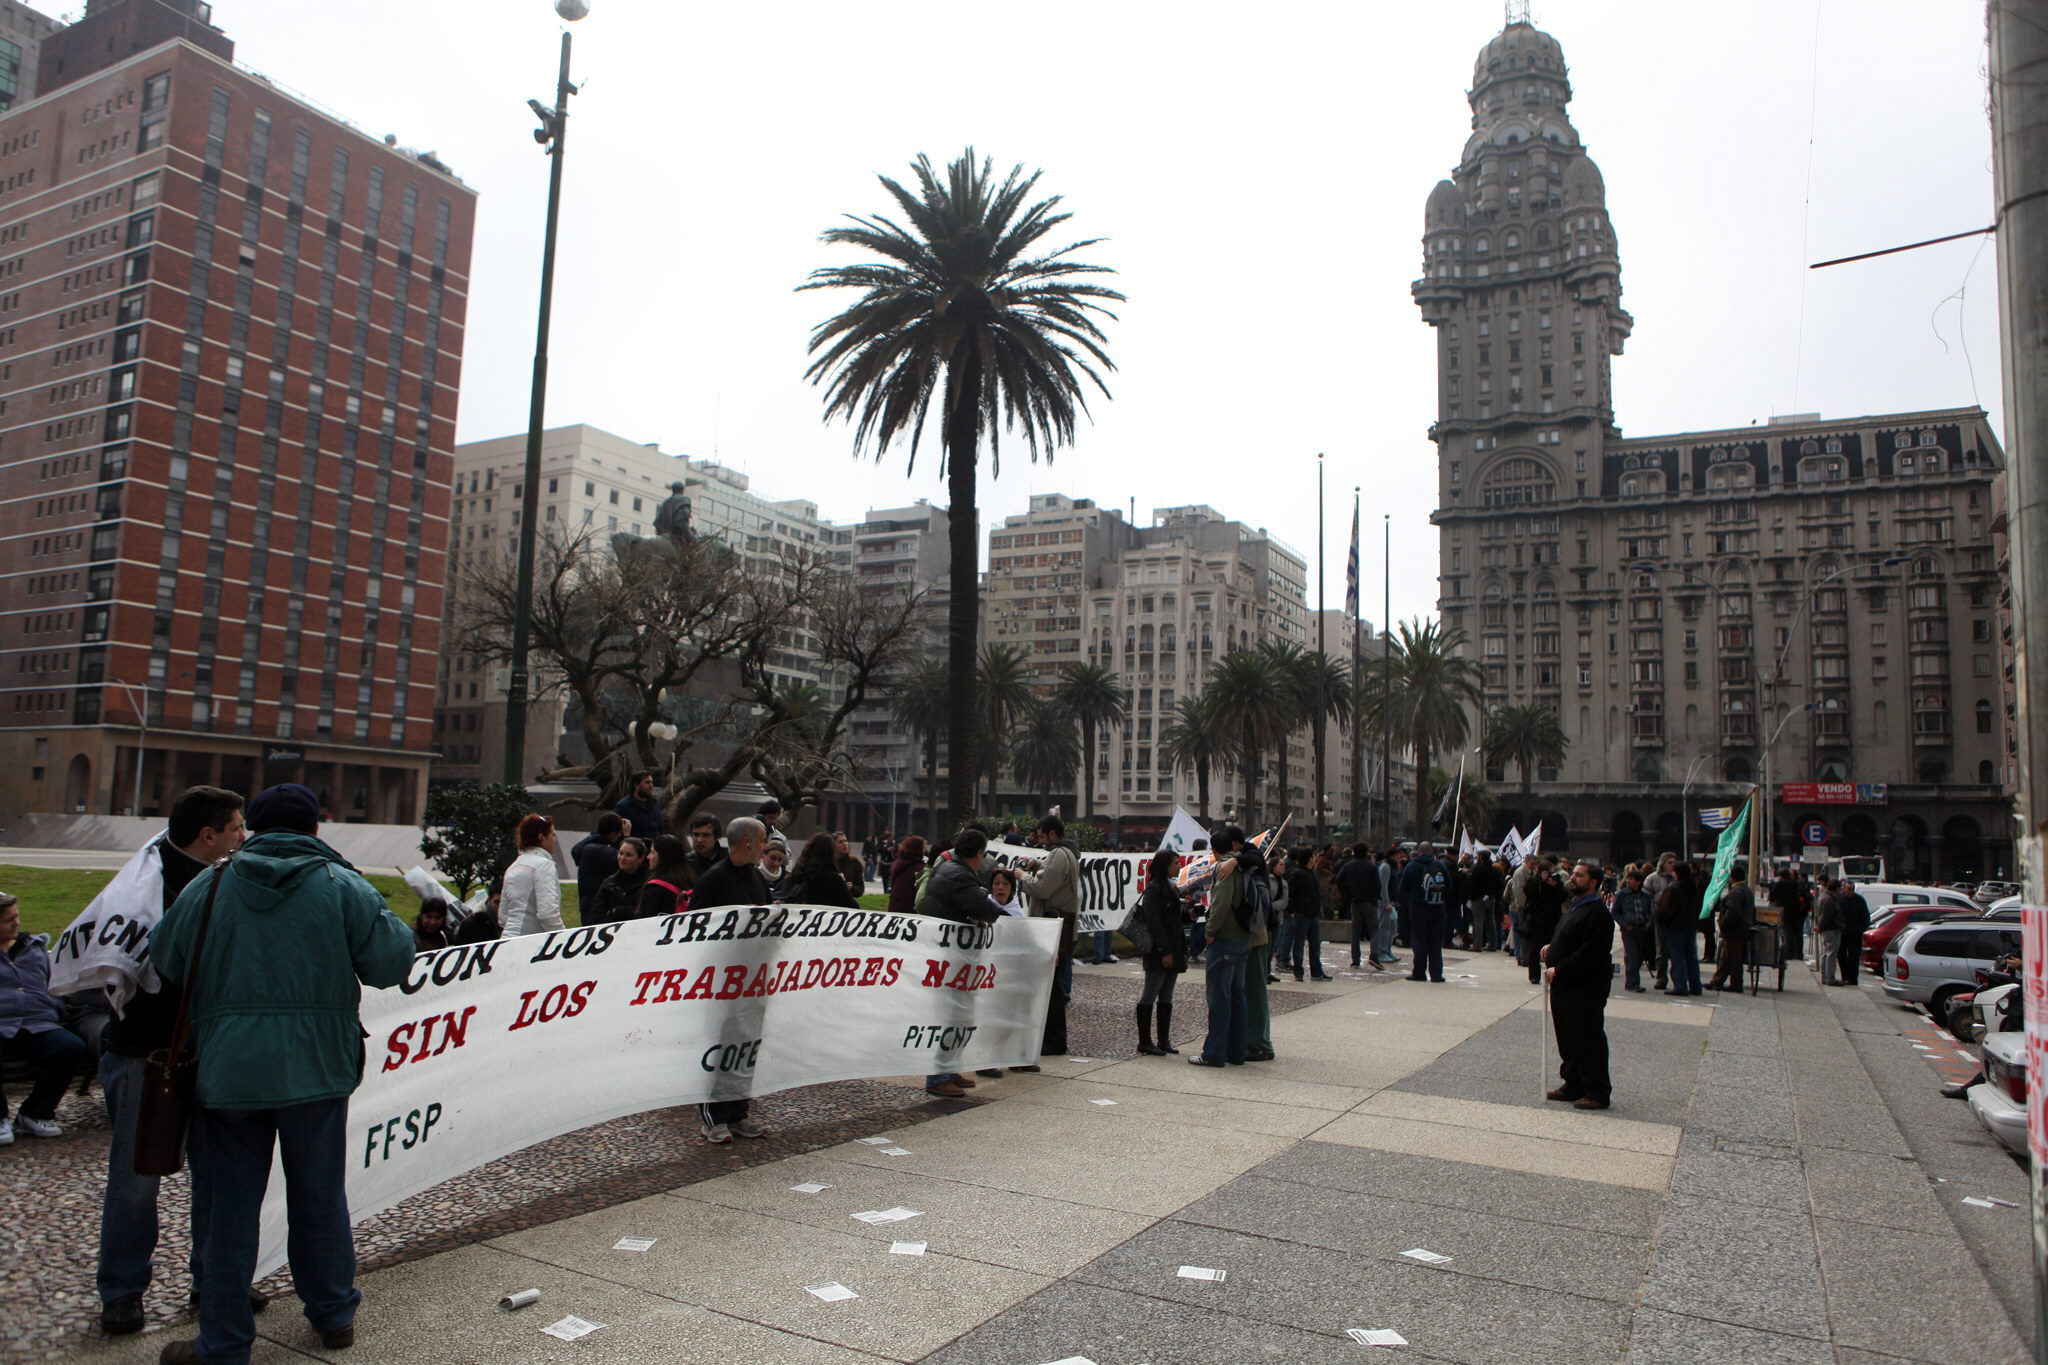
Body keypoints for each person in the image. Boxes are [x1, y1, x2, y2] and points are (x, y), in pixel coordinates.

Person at [151, 782, 415, 1365]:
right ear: (315, 830)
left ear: (256, 829)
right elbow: (395, 961)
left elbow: (166, 956)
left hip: (227, 1073)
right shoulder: (341, 884)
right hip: (317, 1067)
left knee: (229, 1207)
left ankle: (223, 1342)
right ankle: (333, 1313)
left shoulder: (210, 883)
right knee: (319, 1195)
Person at [87, 786, 254, 1336]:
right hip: (146, 1054)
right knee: (136, 1180)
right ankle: (122, 1290)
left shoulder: (219, 877)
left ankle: (215, 1280)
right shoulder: (144, 887)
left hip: (210, 1050)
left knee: (218, 1174)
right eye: (236, 827)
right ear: (208, 837)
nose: (243, 836)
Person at [688, 818, 775, 1141]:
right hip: (724, 978)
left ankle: (739, 1112)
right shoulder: (715, 880)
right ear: (748, 842)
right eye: (763, 839)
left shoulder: (756, 877)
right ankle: (714, 1117)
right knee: (721, 1044)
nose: (766, 846)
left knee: (746, 1044)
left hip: (753, 977)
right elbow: (695, 927)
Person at [0, 889, 92, 1148]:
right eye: (8, 920)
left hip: (37, 1023)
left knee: (69, 1047)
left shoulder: (34, 947)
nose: (16, 923)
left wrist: (54, 1008)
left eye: (16, 916)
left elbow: (55, 982)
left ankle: (35, 1113)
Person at [913, 828, 1001, 1097]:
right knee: (950, 1014)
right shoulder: (959, 876)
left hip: (953, 955)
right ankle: (938, 1078)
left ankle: (949, 1069)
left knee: (958, 1014)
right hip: (950, 957)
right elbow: (987, 910)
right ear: (977, 853)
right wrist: (991, 902)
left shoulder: (952, 869)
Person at [1543, 859, 1615, 1110]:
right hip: (1565, 985)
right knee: (1567, 1037)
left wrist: (1560, 968)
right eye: (1573, 874)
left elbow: (1590, 952)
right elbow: (1571, 938)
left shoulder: (1599, 914)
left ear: (1593, 883)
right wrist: (1552, 948)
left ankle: (1597, 1091)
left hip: (1585, 986)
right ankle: (1573, 1084)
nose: (1572, 878)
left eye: (1579, 876)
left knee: (1587, 1038)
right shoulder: (1575, 907)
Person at [1014, 816, 1080, 1057]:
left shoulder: (1059, 854)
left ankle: (1053, 1041)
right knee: (1052, 988)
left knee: (1051, 990)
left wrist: (1022, 876)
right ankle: (1053, 1039)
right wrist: (1037, 864)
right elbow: (1053, 873)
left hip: (1053, 926)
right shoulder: (1067, 852)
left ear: (1053, 834)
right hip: (1060, 925)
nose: (1040, 841)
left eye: (1042, 837)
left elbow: (1043, 889)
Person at [1191, 826, 1253, 1068]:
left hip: (1226, 936)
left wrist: (1210, 930)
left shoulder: (1224, 866)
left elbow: (1221, 902)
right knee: (1237, 995)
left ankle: (1214, 1053)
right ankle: (1237, 1051)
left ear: (1214, 849)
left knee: (1219, 997)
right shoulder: (1245, 862)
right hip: (1244, 935)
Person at [1134, 850, 1187, 1054]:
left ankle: (1163, 1040)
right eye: (1175, 863)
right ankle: (1145, 1042)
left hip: (1173, 947)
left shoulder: (1171, 887)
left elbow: (1173, 919)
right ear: (1164, 865)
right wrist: (1165, 950)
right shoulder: (1155, 889)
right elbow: (1154, 922)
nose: (1179, 867)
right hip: (1160, 950)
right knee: (1150, 994)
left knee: (1166, 996)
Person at [498, 815, 564, 939]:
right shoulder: (544, 865)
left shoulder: (512, 867)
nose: (555, 840)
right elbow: (548, 915)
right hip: (529, 946)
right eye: (553, 835)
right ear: (541, 838)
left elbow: (503, 917)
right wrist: (564, 938)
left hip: (505, 942)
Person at [1400, 841, 1451, 984]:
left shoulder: (1411, 866)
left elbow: (1403, 888)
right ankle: (1436, 974)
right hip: (1438, 908)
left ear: (1418, 851)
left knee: (1420, 940)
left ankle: (1419, 972)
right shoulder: (1440, 865)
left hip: (1417, 908)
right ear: (1431, 851)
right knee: (1435, 942)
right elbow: (1449, 887)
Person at [1284, 845, 1330, 981]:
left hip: (1312, 913)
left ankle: (1316, 971)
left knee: (1315, 945)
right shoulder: (1298, 873)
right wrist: (1292, 910)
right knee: (1299, 944)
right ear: (1310, 859)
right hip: (1301, 914)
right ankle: (1299, 971)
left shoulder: (1311, 873)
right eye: (1313, 857)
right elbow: (1289, 893)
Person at [1657, 862, 1704, 996]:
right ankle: (1696, 986)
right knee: (1692, 956)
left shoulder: (1673, 887)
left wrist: (1661, 920)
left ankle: (1681, 986)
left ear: (1677, 873)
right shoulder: (1693, 886)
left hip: (1675, 926)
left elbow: (1664, 908)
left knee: (1677, 956)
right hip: (1691, 925)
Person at [1708, 866, 1755, 992]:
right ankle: (1717, 981)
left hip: (1734, 930)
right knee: (1726, 957)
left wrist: (1723, 924)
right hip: (1741, 928)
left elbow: (1733, 911)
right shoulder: (1745, 889)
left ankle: (1736, 984)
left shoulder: (1737, 892)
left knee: (1734, 958)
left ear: (1732, 878)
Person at [784, 833, 861, 908]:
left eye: (845, 841)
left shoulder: (797, 874)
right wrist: (843, 886)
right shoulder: (833, 879)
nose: (844, 844)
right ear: (831, 852)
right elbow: (853, 907)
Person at [1520, 857, 1564, 985]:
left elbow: (1562, 896)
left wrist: (1554, 885)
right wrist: (1541, 880)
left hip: (1552, 920)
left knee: (1553, 948)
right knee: (1535, 949)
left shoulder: (1556, 881)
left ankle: (1552, 972)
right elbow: (1527, 891)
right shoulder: (1534, 880)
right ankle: (1534, 975)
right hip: (1537, 920)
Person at [1337, 843, 1382, 970]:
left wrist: (1348, 893)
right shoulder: (1371, 866)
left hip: (1355, 901)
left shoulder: (1348, 866)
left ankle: (1355, 960)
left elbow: (1339, 879)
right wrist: (1375, 897)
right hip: (1370, 901)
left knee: (1355, 932)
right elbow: (1378, 885)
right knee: (1374, 930)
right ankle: (1374, 956)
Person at [570, 813, 625, 913]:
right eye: (619, 833)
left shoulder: (591, 843)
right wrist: (626, 837)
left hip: (589, 904)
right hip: (597, 907)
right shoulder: (600, 851)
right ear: (612, 834)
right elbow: (623, 862)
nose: (619, 835)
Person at [587, 837, 649, 925]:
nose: (623, 858)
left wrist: (619, 912)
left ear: (640, 858)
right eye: (621, 853)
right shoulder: (609, 883)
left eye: (629, 855)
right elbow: (597, 915)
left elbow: (648, 911)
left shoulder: (649, 882)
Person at [1610, 869, 1651, 992]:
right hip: (1628, 929)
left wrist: (1647, 924)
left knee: (1638, 957)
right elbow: (1615, 912)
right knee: (1632, 956)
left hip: (1641, 929)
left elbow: (1649, 912)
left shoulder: (1645, 896)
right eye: (1628, 878)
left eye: (1632, 879)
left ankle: (1632, 981)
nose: (1628, 881)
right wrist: (1624, 924)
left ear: (1638, 882)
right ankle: (1632, 983)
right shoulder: (1622, 894)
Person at [636, 834, 693, 918]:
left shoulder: (654, 888)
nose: (648, 857)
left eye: (652, 852)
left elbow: (647, 920)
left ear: (663, 856)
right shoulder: (691, 880)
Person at [1643, 853, 1677, 990]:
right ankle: (1661, 978)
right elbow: (1646, 899)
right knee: (1661, 950)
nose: (1672, 865)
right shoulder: (1652, 878)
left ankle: (1677, 979)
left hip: (1675, 919)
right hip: (1660, 918)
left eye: (1674, 862)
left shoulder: (1677, 879)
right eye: (1670, 862)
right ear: (1662, 863)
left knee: (1676, 950)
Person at [1836, 880, 1872, 986]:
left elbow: (1865, 917)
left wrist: (1860, 929)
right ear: (1843, 889)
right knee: (1841, 955)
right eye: (1848, 889)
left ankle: (1853, 978)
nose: (1850, 891)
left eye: (1852, 889)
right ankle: (1845, 976)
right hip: (1842, 932)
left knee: (1854, 957)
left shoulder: (1859, 900)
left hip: (1855, 934)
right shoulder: (1839, 899)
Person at [1771, 868, 1807, 970]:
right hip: (1796, 910)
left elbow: (1773, 895)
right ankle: (1797, 953)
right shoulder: (1796, 884)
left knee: (1787, 931)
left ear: (1781, 876)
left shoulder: (1780, 884)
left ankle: (1788, 952)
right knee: (1797, 932)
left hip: (1784, 910)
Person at [1468, 850, 1504, 953]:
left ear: (1480, 857)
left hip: (1479, 898)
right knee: (1491, 921)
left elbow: (1473, 884)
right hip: (1491, 898)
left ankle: (1477, 945)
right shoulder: (1494, 869)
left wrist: (1472, 897)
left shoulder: (1477, 869)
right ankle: (1493, 944)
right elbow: (1499, 884)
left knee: (1478, 921)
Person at [614, 771, 664, 841]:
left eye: (651, 782)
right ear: (636, 785)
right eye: (647, 782)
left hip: (655, 848)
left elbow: (660, 828)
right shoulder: (623, 807)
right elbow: (617, 834)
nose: (651, 786)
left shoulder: (655, 803)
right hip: (635, 848)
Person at [1374, 846, 1404, 968]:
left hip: (1392, 902)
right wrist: (1386, 902)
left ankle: (1387, 949)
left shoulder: (1392, 866)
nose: (1399, 858)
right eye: (1398, 855)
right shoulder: (1385, 867)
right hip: (1386, 903)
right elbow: (1383, 886)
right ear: (1392, 855)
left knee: (1392, 927)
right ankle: (1382, 951)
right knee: (1385, 927)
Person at [886, 835, 928, 916]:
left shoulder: (897, 863)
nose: (924, 850)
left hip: (894, 906)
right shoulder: (919, 868)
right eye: (923, 848)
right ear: (918, 850)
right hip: (910, 910)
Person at [1813, 877, 1843, 985]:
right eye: (1840, 888)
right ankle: (1830, 977)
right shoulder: (1829, 899)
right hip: (1830, 929)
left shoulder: (1824, 897)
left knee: (1826, 952)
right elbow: (1826, 916)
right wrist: (1820, 926)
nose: (1840, 890)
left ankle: (1825, 976)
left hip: (1827, 929)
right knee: (1831, 953)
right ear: (1835, 888)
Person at [685, 814, 723, 881]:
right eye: (696, 834)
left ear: (717, 836)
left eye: (706, 835)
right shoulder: (687, 862)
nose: (699, 840)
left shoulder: (729, 860)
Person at [831, 831, 866, 900]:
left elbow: (860, 889)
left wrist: (852, 887)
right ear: (833, 846)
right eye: (840, 842)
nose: (844, 844)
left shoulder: (854, 862)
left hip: (846, 902)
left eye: (845, 841)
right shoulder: (828, 862)